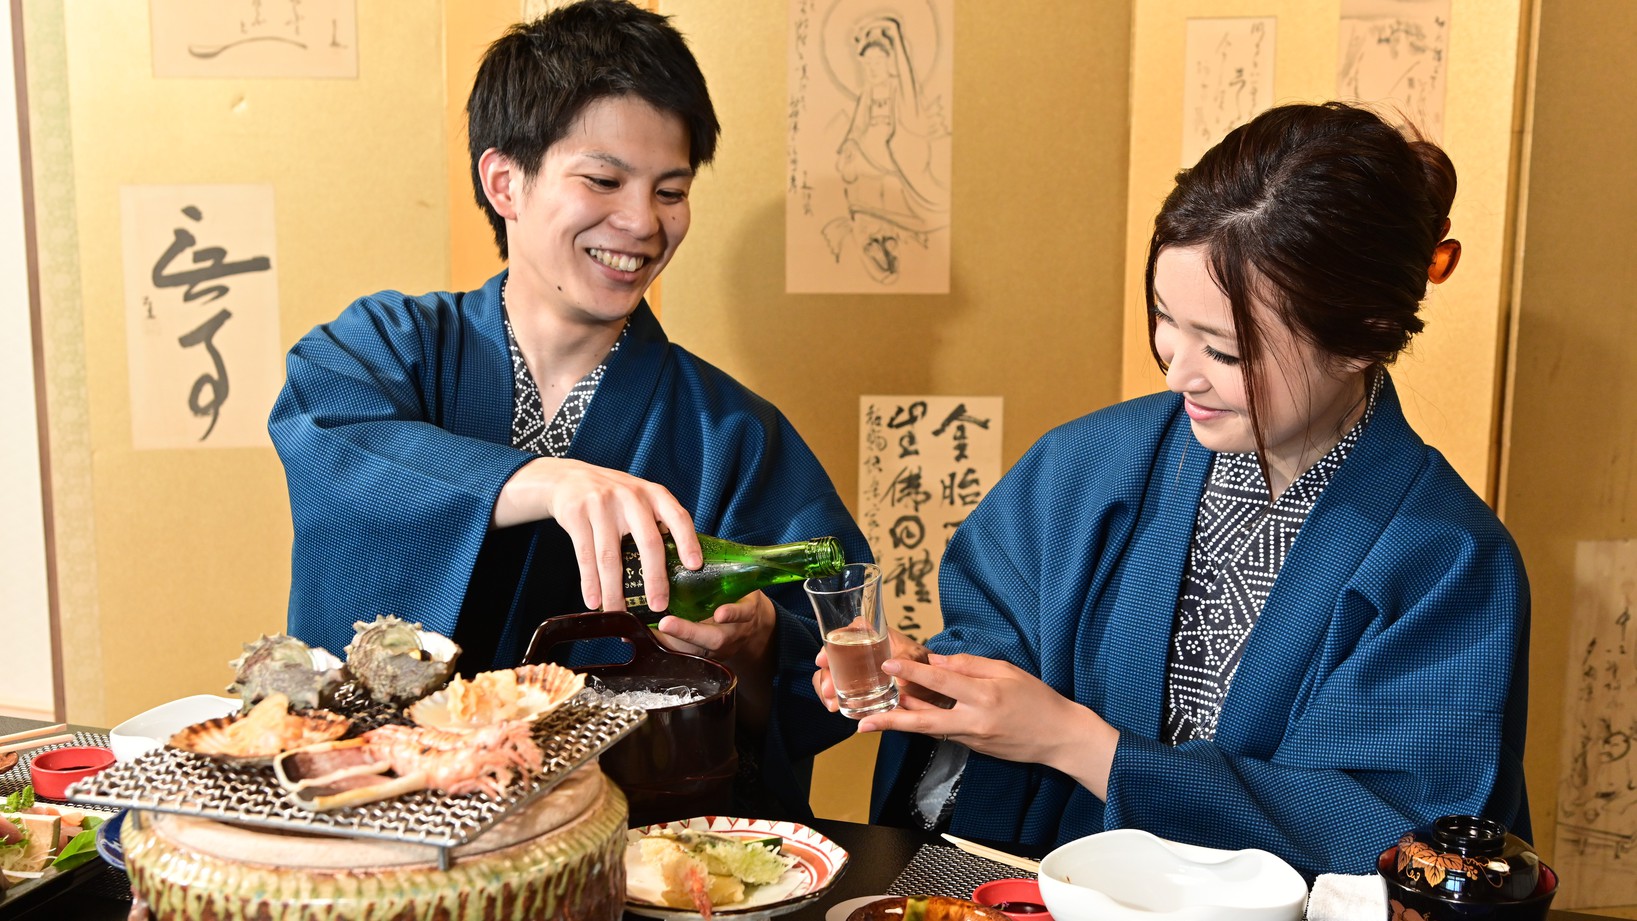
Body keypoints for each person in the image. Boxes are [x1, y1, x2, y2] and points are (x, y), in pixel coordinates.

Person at [815, 102, 1529, 877]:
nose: (1176, 369)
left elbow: (1393, 839)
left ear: (1362, 332)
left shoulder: (1446, 558)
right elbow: (998, 637)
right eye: (1164, 321)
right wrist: (942, 689)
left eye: (1222, 349)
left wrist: (1080, 744)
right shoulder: (1087, 462)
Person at [269, 0, 868, 818]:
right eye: (602, 179)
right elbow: (327, 433)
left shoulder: (730, 431)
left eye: (671, 190)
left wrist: (758, 637)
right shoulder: (391, 344)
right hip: (386, 832)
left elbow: (822, 648)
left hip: (624, 851)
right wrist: (541, 480)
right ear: (504, 180)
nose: (641, 222)